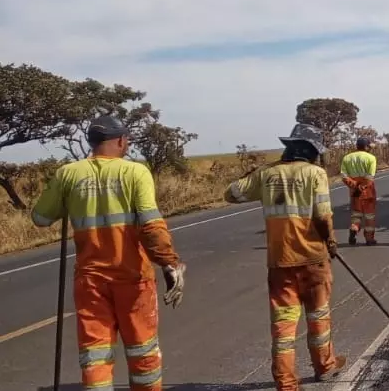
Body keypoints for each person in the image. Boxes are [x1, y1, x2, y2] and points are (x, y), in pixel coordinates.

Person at [30, 114, 186, 391]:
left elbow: (40, 218)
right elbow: (151, 225)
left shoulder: (68, 173)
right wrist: (169, 264)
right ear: (121, 141)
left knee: (95, 356)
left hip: (90, 281)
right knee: (143, 353)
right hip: (132, 278)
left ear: (91, 142)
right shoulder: (134, 172)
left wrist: (70, 197)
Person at [224, 123, 346, 389]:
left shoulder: (267, 174)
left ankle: (286, 382)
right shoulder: (316, 174)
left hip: (280, 263)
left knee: (283, 327)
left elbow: (231, 193)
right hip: (313, 259)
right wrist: (331, 242)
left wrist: (258, 173)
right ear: (308, 150)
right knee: (318, 317)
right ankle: (325, 367)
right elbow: (323, 215)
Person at [340, 137, 378, 246]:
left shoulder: (347, 158)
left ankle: (354, 228)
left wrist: (354, 186)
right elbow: (370, 177)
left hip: (354, 192)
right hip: (368, 191)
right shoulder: (371, 158)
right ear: (366, 147)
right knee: (369, 216)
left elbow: (343, 176)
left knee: (356, 214)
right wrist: (362, 187)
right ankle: (369, 239)